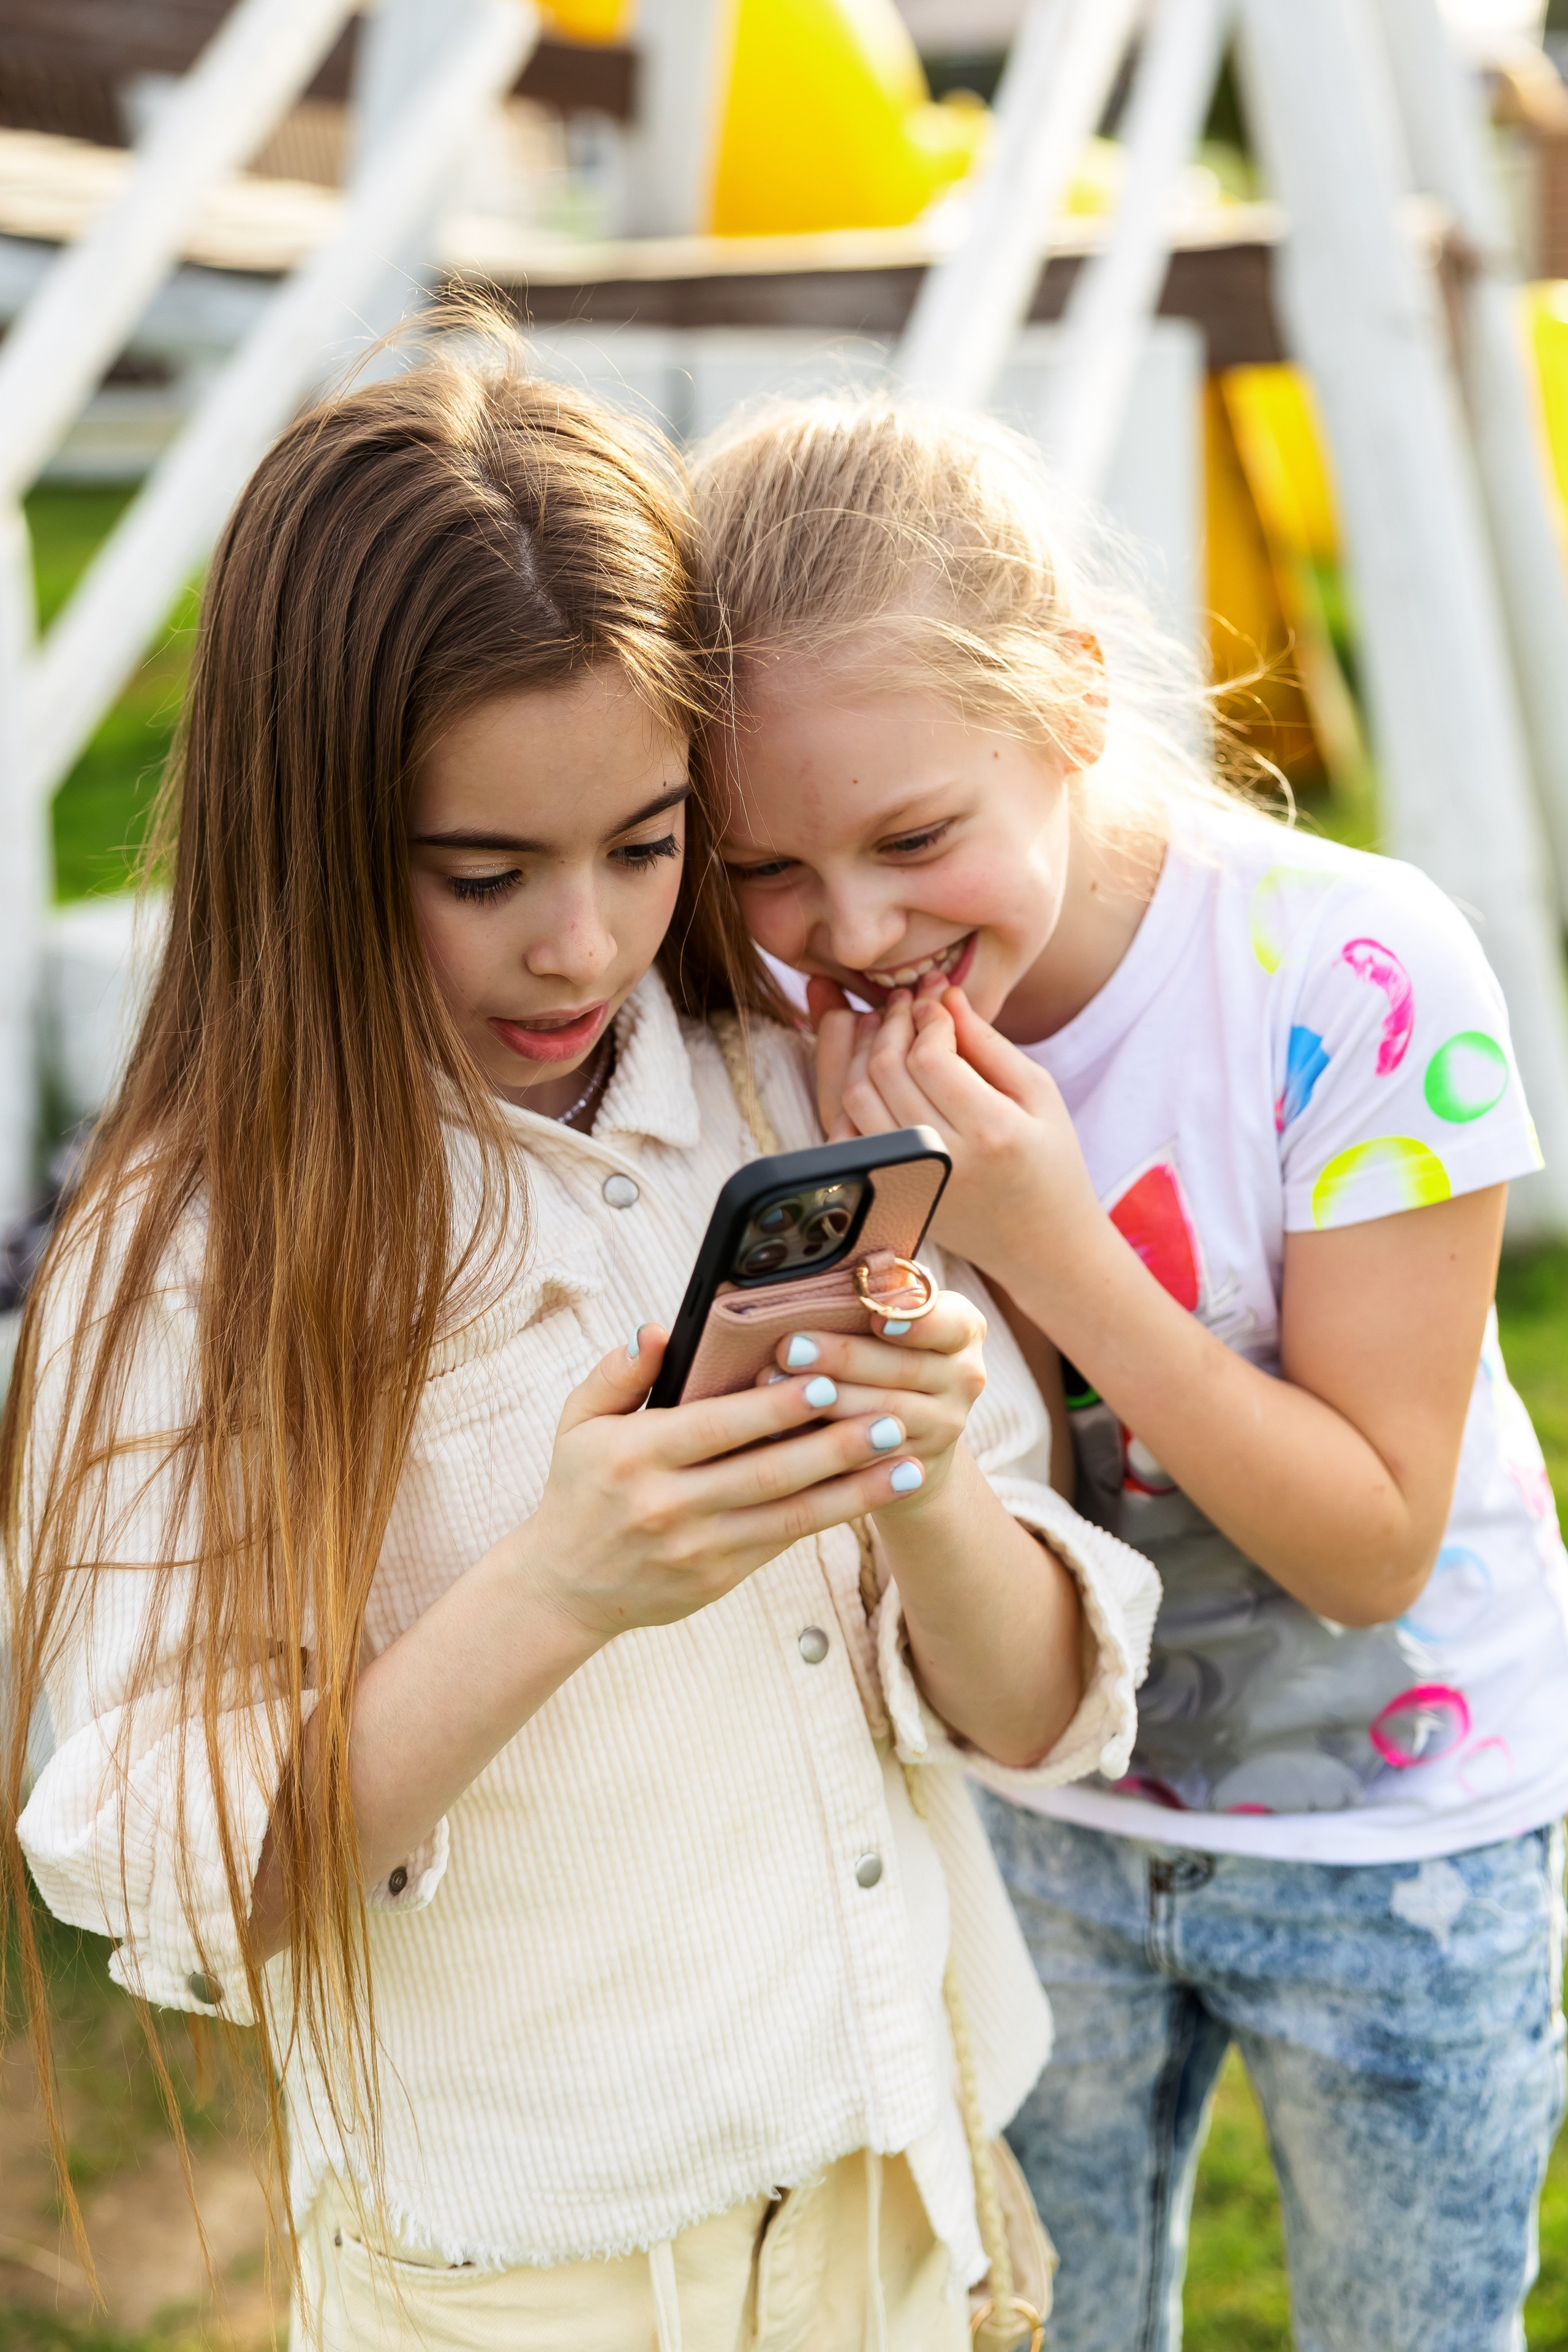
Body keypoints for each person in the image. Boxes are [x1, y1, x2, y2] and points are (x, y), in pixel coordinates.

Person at [2, 337, 1159, 2351]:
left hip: (917, 2216)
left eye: (647, 845)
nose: (582, 944)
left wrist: (933, 1491)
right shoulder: (188, 1257)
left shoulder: (794, 1100)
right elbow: (171, 1867)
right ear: (315, 834)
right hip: (531, 2285)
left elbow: (1042, 1707)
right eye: (485, 874)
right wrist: (559, 1585)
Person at [692, 394, 1568, 2352]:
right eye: (772, 868)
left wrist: (1047, 1246)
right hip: (1043, 1827)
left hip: (1396, 1832)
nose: (854, 931)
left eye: (916, 836)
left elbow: (1370, 1549)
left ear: (1075, 699)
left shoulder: (1356, 981)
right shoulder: (784, 1027)